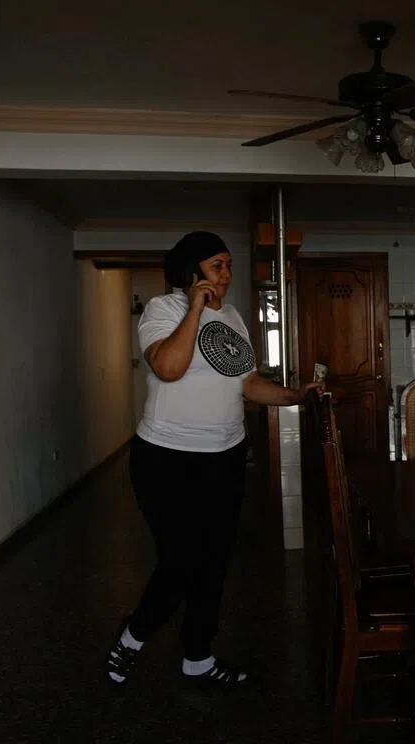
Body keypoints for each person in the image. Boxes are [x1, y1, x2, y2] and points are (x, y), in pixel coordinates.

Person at [105, 231, 319, 689]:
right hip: (166, 459)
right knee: (181, 559)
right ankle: (134, 634)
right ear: (193, 271)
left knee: (215, 561)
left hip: (223, 457)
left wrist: (296, 395)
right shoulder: (163, 310)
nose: (227, 273)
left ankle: (198, 658)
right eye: (217, 265)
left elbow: (248, 385)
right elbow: (169, 367)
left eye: (227, 264)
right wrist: (195, 308)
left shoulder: (237, 318)